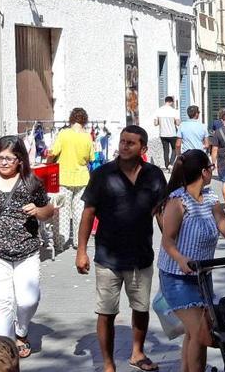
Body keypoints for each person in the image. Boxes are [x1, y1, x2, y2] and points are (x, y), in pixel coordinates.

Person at [76, 126, 167, 372]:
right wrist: (81, 250)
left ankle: (137, 353)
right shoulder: (103, 174)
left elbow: (160, 211)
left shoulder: (154, 175)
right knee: (106, 312)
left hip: (141, 254)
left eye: (131, 143)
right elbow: (88, 213)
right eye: (123, 141)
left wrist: (170, 242)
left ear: (143, 149)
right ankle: (108, 364)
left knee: (141, 308)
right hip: (108, 255)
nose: (124, 146)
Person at [157, 150, 225, 371]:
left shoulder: (211, 199)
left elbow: (223, 224)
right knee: (201, 332)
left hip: (202, 276)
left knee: (194, 334)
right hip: (177, 278)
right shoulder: (178, 202)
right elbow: (167, 242)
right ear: (204, 172)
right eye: (210, 169)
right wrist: (181, 259)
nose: (211, 173)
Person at [0, 136, 55, 357]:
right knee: (2, 301)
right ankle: (5, 352)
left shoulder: (31, 183)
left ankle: (22, 330)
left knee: (29, 299)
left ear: (20, 160)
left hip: (26, 251)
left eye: (9, 158)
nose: (4, 162)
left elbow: (48, 210)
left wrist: (38, 211)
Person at [47, 107, 93, 249]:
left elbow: (53, 152)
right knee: (79, 212)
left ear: (71, 119)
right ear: (84, 120)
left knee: (61, 212)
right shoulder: (87, 136)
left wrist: (48, 163)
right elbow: (91, 157)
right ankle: (79, 243)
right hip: (82, 178)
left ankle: (60, 242)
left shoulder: (64, 134)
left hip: (64, 178)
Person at [154, 96, 181, 171]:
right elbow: (178, 123)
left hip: (163, 134)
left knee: (166, 150)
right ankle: (171, 164)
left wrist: (161, 121)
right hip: (172, 134)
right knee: (174, 149)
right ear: (171, 102)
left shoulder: (159, 110)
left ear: (165, 101)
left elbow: (155, 123)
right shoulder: (174, 111)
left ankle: (166, 165)